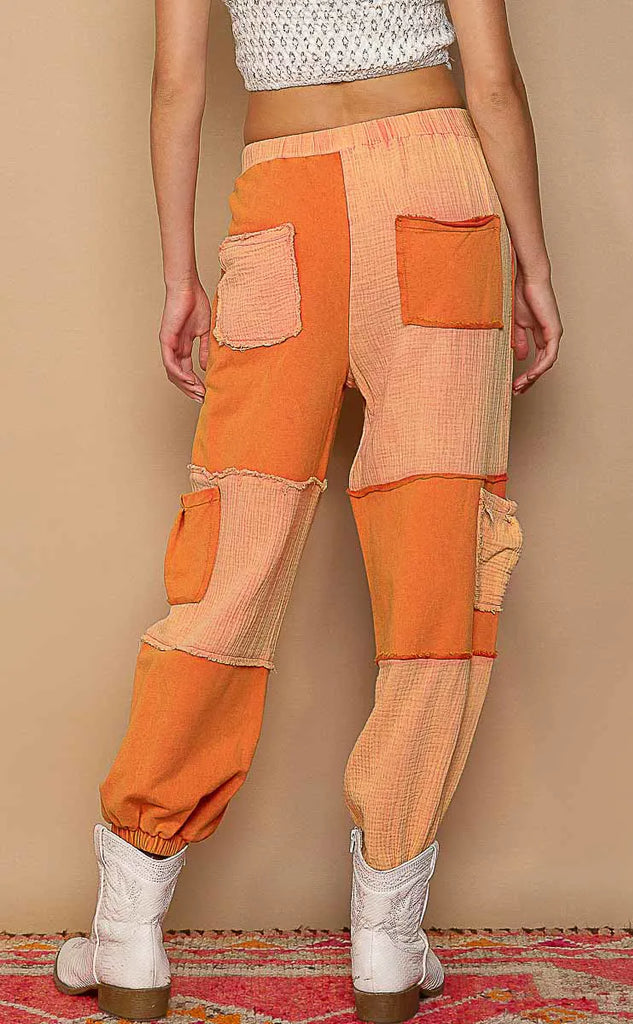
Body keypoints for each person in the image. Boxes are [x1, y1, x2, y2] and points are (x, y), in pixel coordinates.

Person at [53, 0, 563, 1021]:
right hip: (438, 189)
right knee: (435, 561)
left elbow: (177, 84)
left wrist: (178, 277)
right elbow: (495, 82)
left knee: (234, 553)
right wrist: (535, 265)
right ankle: (387, 938)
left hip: (285, 201)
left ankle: (130, 927)